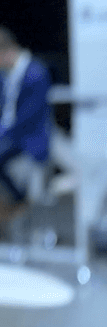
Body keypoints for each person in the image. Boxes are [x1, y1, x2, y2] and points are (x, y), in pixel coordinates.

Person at [0, 26, 52, 225]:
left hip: (29, 137)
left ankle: (19, 200)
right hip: (12, 134)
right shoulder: (8, 75)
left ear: (7, 52)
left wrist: (2, 132)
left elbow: (25, 119)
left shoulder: (35, 73)